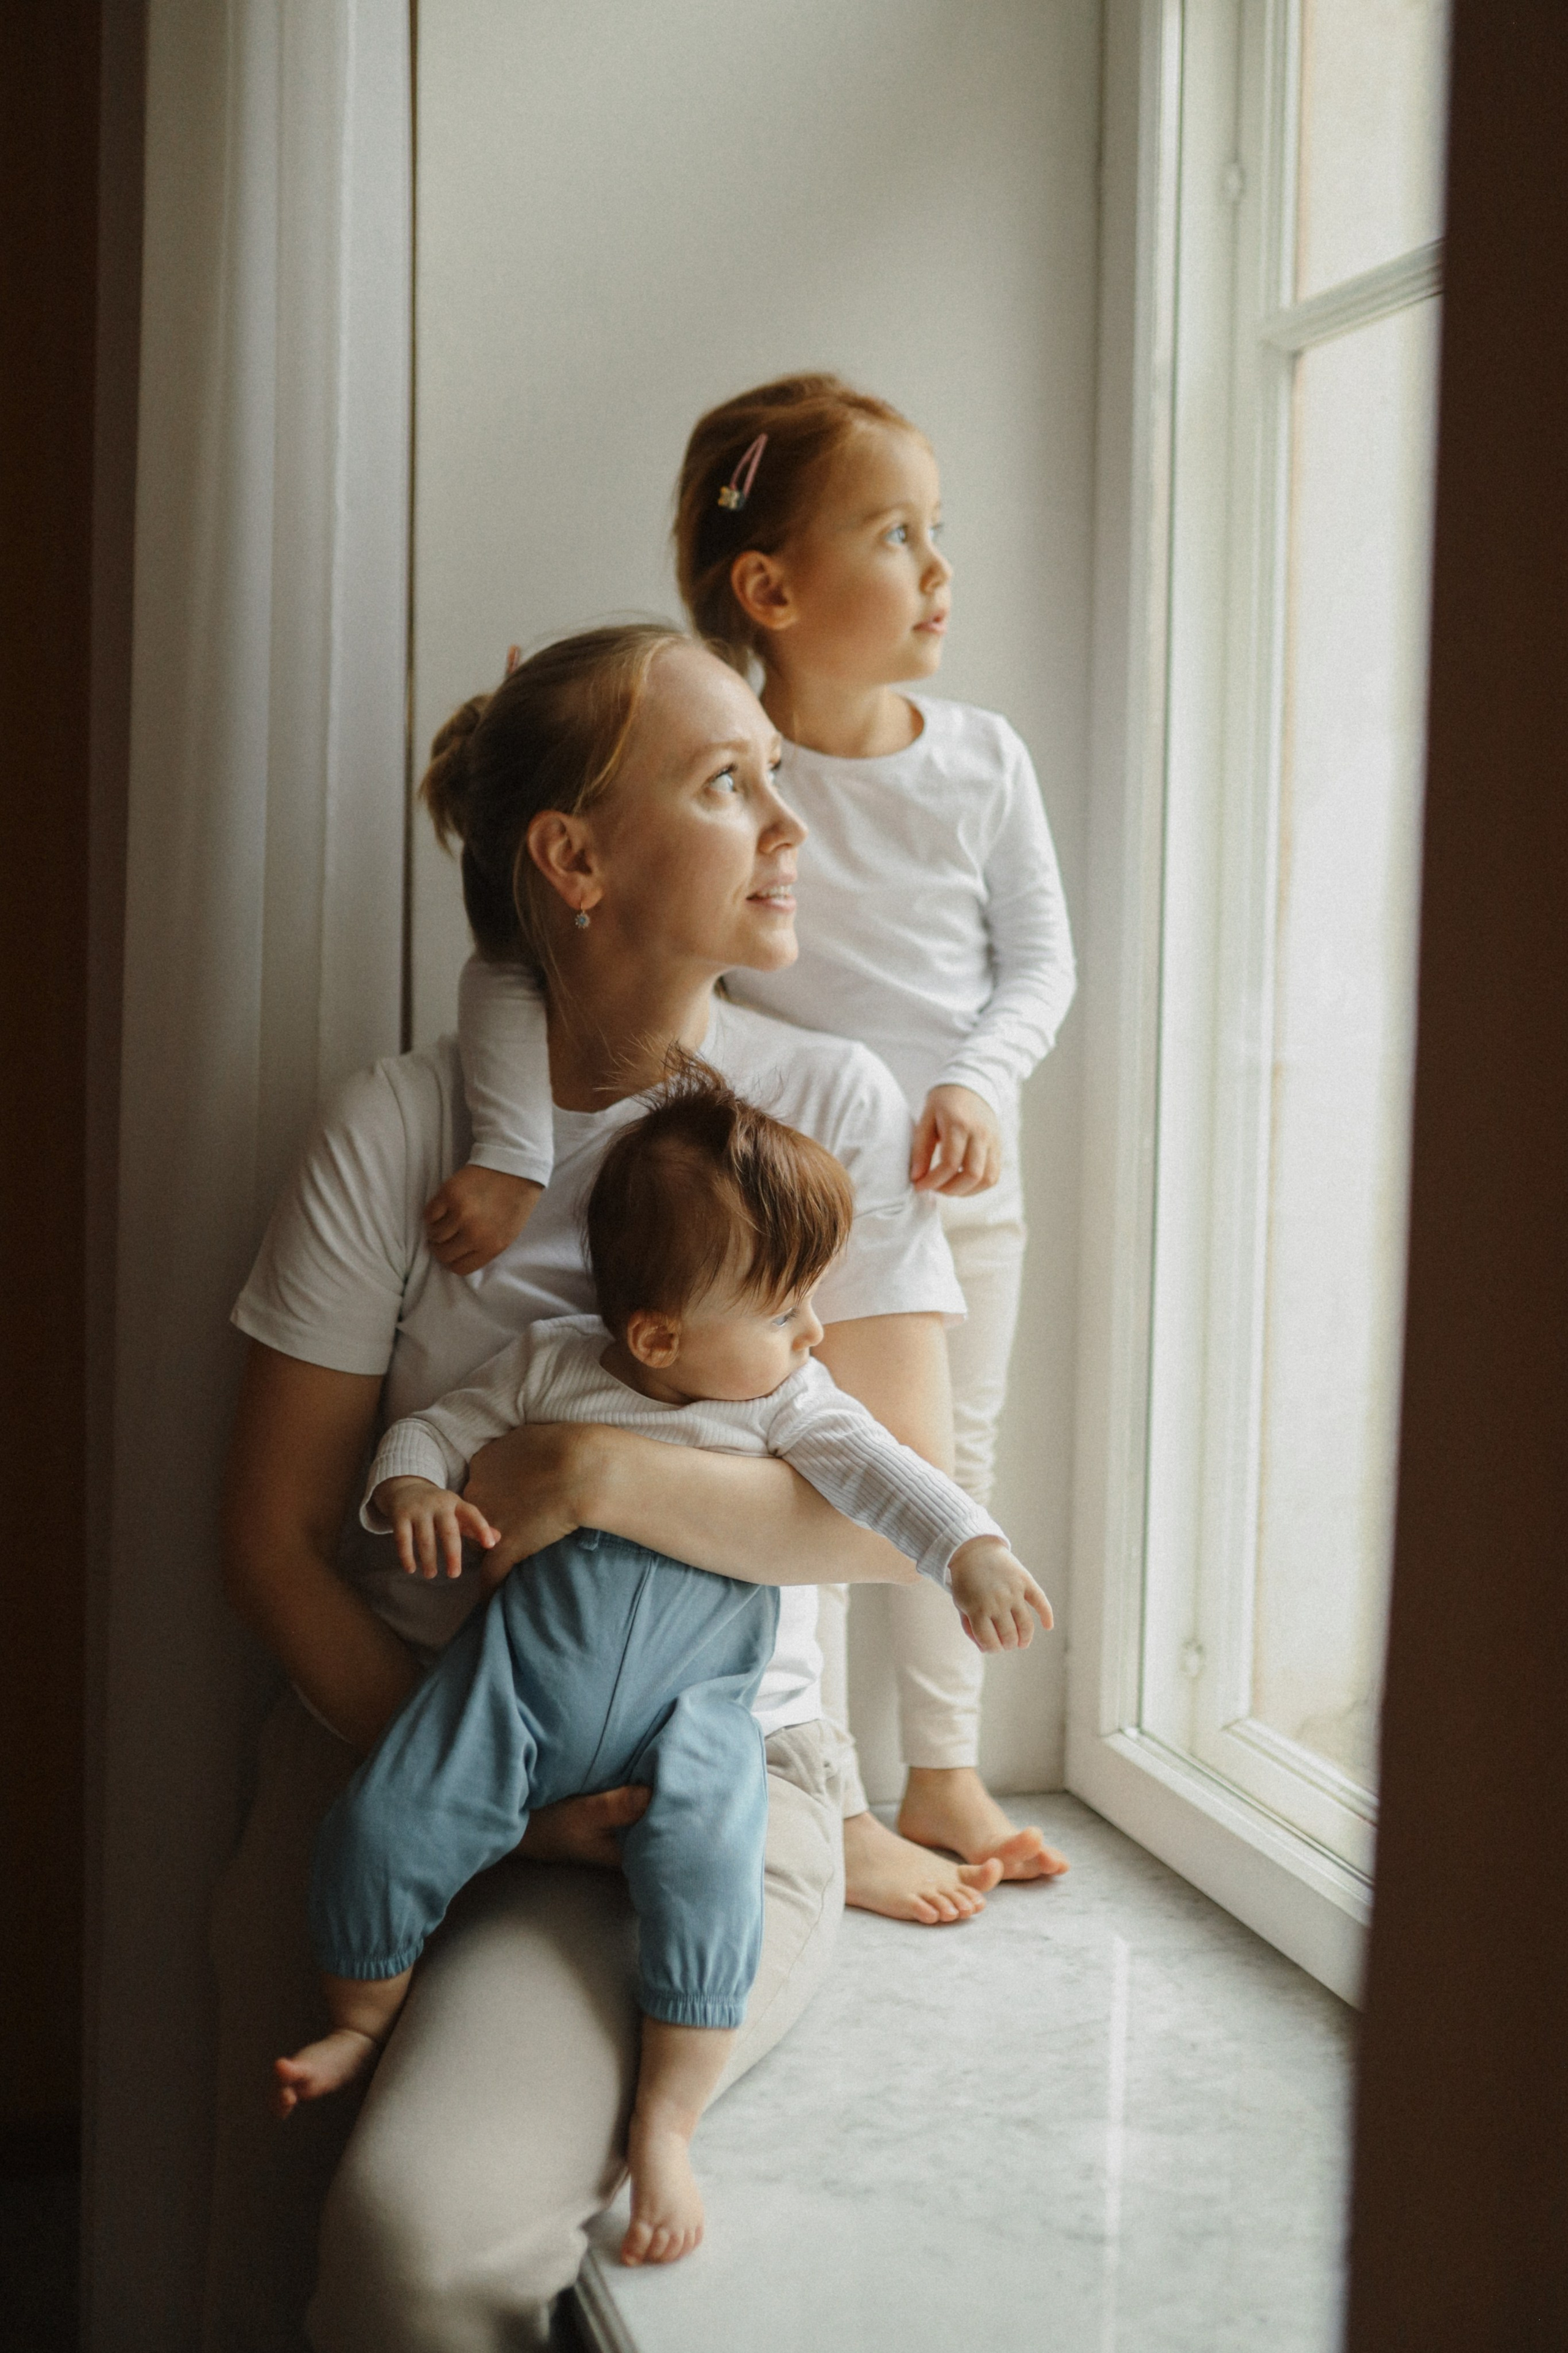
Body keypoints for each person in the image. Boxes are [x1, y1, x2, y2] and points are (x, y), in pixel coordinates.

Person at [209, 622, 1015, 2351]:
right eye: (733, 785)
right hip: (393, 1737)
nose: (792, 828)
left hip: (688, 1791)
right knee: (251, 2253)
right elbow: (274, 1543)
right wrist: (476, 1772)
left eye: (779, 782)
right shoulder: (400, 1133)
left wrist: (585, 1471)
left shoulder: (824, 1112)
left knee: (415, 2245)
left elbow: (893, 1515)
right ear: (570, 859)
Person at [429, 373, 1076, 1888]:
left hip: (937, 1164)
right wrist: (539, 739)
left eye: (937, 529)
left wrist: (977, 1084)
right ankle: (830, 1788)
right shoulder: (722, 750)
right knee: (775, 1445)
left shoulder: (975, 759)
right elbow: (553, 918)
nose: (938, 567)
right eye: (898, 532)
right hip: (757, 1179)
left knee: (933, 1460)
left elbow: (1038, 957)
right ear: (769, 588)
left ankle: (942, 1769)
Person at [276, 1065, 1051, 2272]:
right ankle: (360, 2018)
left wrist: (972, 1550)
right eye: (787, 1304)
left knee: (705, 1869)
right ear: (654, 1335)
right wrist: (413, 1487)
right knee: (386, 1815)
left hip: (696, 1716)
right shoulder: (550, 1364)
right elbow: (429, 1430)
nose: (811, 1332)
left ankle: (666, 2119)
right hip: (519, 1692)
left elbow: (893, 1476)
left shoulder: (787, 1404)